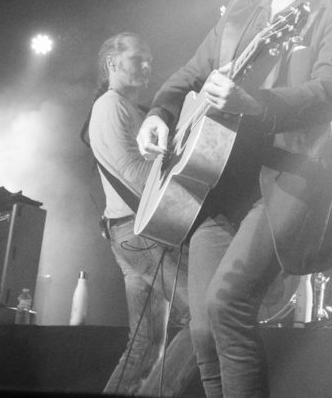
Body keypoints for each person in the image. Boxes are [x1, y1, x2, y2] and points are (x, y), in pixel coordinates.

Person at [136, 0, 332, 398]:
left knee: (228, 303)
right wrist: (158, 112)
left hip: (287, 179)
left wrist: (257, 105)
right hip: (212, 186)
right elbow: (191, 74)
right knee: (201, 328)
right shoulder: (242, 9)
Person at [86, 32, 197, 396]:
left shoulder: (135, 110)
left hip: (131, 234)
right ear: (112, 63)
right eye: (137, 58)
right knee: (206, 316)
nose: (147, 64)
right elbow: (134, 176)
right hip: (142, 234)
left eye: (149, 57)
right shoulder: (110, 105)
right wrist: (183, 164)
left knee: (145, 345)